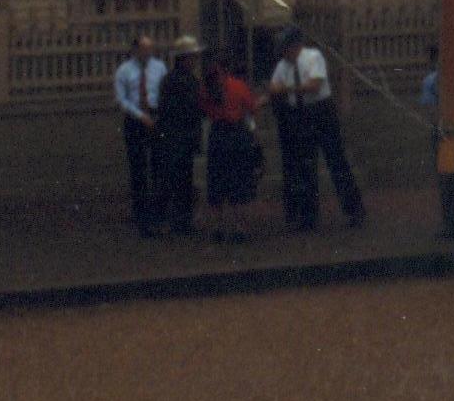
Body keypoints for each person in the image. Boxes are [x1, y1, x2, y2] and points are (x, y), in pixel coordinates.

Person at [267, 25, 364, 230]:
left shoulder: (312, 57)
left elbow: (314, 85)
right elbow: (273, 88)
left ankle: (354, 210)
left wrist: (286, 89)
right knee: (304, 166)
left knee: (336, 160)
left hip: (320, 111)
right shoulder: (283, 65)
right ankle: (308, 215)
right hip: (299, 113)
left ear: (296, 46)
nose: (285, 53)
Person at [201, 51, 268, 242]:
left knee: (217, 182)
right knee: (239, 181)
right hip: (237, 135)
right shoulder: (237, 86)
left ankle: (218, 226)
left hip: (217, 135)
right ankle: (240, 226)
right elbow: (251, 107)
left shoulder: (206, 89)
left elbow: (206, 110)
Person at [146, 34, 207, 236]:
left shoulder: (171, 79)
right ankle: (175, 221)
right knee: (177, 180)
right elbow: (191, 108)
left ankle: (167, 221)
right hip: (179, 136)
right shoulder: (186, 81)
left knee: (173, 180)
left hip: (173, 135)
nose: (195, 61)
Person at [112, 33, 168, 237]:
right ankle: (141, 213)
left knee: (158, 165)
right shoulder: (124, 71)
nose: (148, 53)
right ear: (135, 51)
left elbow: (163, 90)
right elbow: (121, 100)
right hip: (135, 119)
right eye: (144, 49)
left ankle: (158, 211)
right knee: (138, 168)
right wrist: (139, 115)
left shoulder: (159, 67)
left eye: (150, 49)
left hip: (155, 115)